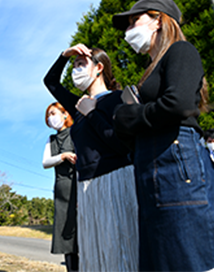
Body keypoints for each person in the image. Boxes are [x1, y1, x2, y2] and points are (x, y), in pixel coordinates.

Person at [112, 0, 214, 271]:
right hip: (153, 166)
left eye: (134, 21)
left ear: (158, 20)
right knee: (163, 258)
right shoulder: (149, 71)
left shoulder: (181, 51)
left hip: (176, 164)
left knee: (188, 256)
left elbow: (178, 105)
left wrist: (130, 115)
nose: (128, 31)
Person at [44, 45, 138, 272]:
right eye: (74, 65)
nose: (76, 70)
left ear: (99, 68)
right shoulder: (77, 106)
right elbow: (51, 83)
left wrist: (92, 113)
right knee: (95, 254)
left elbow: (120, 144)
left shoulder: (116, 99)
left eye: (81, 64)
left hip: (116, 180)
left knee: (121, 251)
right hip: (87, 185)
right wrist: (64, 56)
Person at [42, 102, 78, 272]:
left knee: (80, 232)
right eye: (49, 115)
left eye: (54, 113)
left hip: (77, 186)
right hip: (61, 190)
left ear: (65, 114)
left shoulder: (76, 133)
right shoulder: (51, 140)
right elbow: (45, 162)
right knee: (66, 237)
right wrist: (62, 156)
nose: (51, 118)